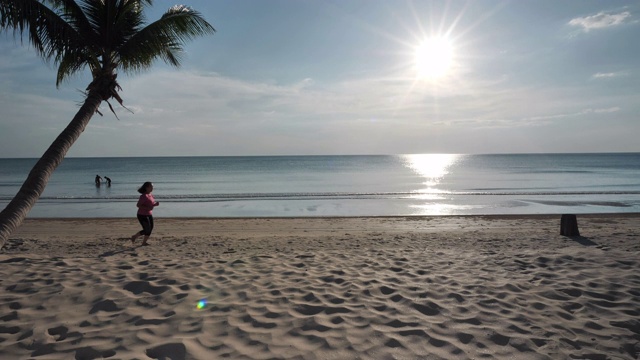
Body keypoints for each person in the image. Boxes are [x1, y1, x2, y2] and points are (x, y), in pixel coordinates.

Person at [130, 182, 160, 246]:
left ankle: (144, 242)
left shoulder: (151, 195)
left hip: (149, 214)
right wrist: (147, 208)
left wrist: (155, 204)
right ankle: (134, 236)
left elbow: (150, 205)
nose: (152, 188)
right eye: (151, 187)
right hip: (142, 215)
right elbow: (138, 205)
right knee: (147, 229)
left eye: (152, 187)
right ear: (146, 188)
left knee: (150, 228)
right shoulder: (143, 196)